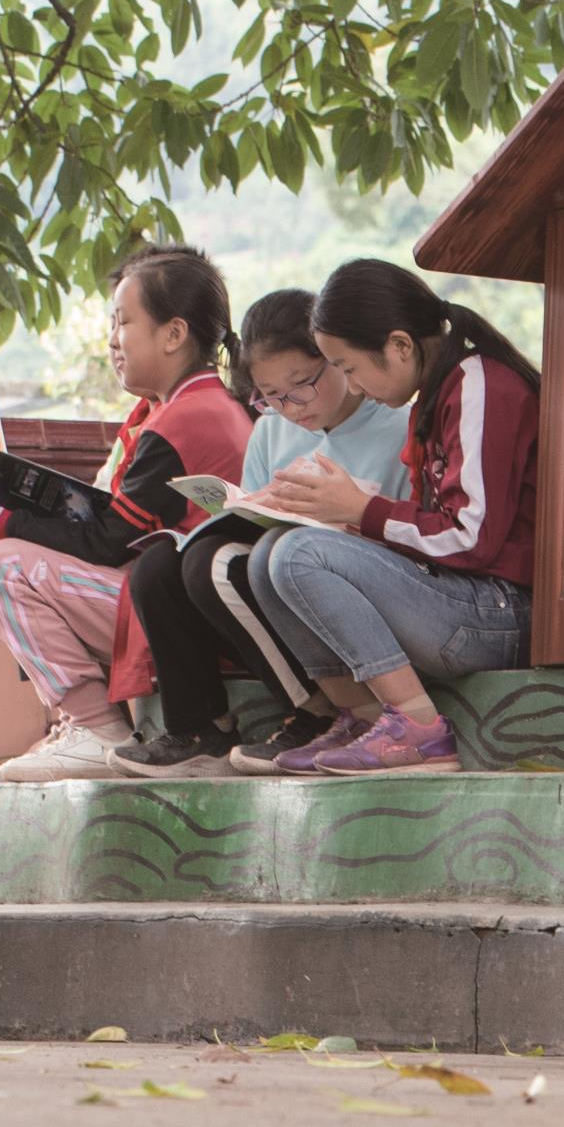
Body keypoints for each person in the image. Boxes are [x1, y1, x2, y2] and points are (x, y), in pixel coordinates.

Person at [0, 243, 253, 783]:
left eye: (122, 322)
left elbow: (106, 542)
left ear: (174, 334)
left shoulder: (185, 419)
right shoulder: (183, 409)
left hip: (190, 621)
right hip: (193, 606)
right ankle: (91, 727)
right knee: (17, 555)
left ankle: (95, 731)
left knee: (3, 567)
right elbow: (112, 526)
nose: (112, 341)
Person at [235, 259, 542, 776]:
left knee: (296, 554)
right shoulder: (439, 393)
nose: (353, 387)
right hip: (459, 598)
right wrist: (343, 520)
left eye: (350, 368)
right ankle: (363, 717)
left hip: (502, 612)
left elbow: (472, 538)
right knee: (266, 557)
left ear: (399, 346)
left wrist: (360, 509)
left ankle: (420, 729)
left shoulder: (480, 383)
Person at [108, 287, 417, 777]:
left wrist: (346, 515)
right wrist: (259, 505)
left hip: (361, 592)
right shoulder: (270, 430)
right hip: (279, 581)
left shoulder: (399, 426)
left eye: (301, 385)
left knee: (219, 563)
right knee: (159, 567)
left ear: (336, 359)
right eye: (270, 395)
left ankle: (321, 709)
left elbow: (411, 538)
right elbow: (246, 519)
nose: (290, 407)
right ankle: (198, 728)